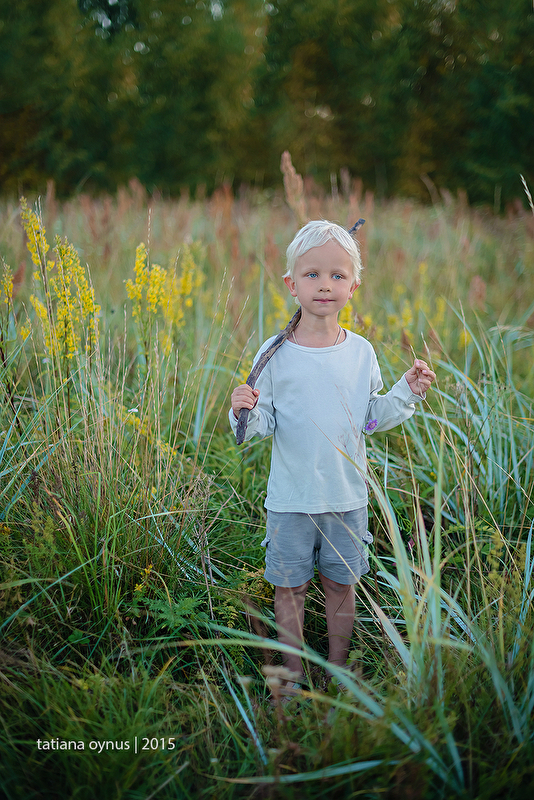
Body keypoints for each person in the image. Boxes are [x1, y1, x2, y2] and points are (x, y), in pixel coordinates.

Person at [229, 220, 435, 689]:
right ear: (292, 284)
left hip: (346, 499)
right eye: (313, 274)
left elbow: (369, 419)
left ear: (353, 286)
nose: (325, 285)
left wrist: (406, 392)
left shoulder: (360, 353)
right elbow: (262, 423)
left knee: (342, 585)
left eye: (337, 275)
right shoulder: (274, 353)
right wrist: (242, 410)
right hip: (291, 501)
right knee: (290, 588)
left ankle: (339, 669)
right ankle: (291, 676)